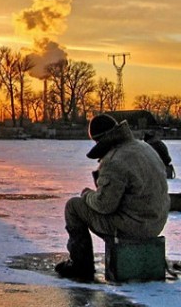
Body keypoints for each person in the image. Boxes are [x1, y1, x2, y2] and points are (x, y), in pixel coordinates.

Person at [55, 114, 169, 281]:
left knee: (73, 206)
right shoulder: (144, 148)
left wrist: (87, 195)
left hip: (133, 228)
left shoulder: (115, 160)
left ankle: (80, 266)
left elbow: (104, 205)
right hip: (155, 222)